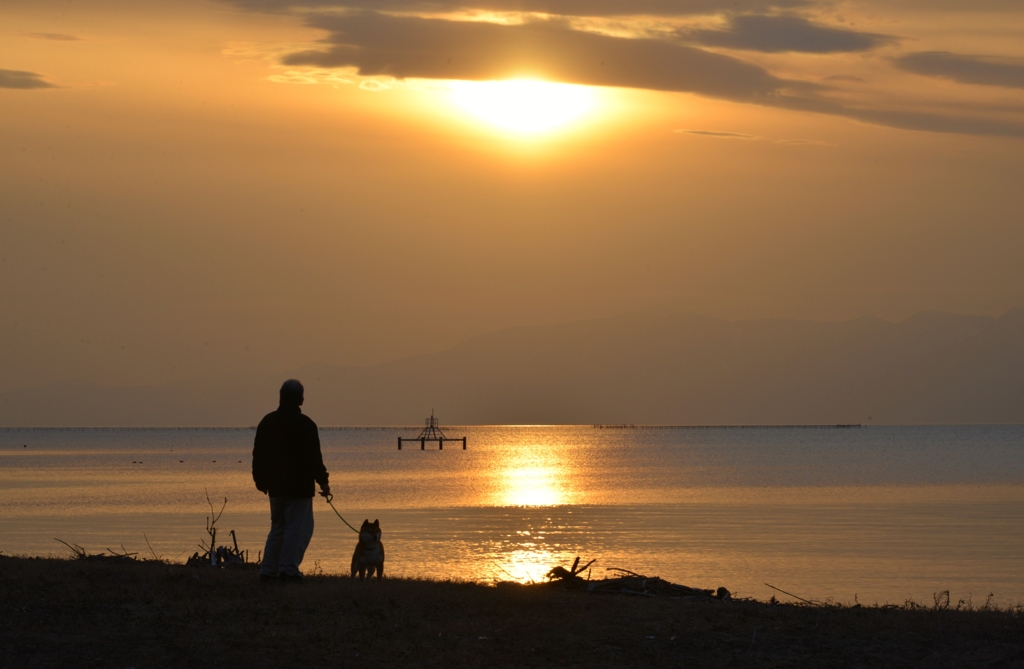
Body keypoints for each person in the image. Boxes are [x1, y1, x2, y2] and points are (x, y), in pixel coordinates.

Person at [252, 379, 330, 583]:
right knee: (296, 528)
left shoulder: (267, 422)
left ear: (280, 396)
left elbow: (258, 455)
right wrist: (323, 482)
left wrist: (260, 481)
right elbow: (315, 458)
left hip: (275, 486)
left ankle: (268, 572)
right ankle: (288, 570)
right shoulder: (307, 425)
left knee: (277, 527)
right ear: (301, 400)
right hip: (300, 487)